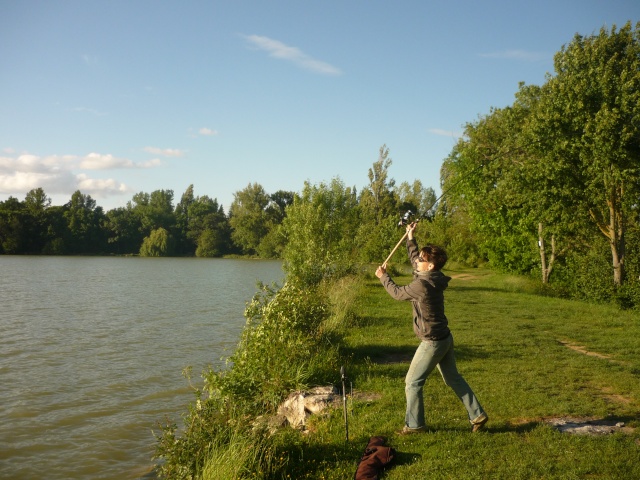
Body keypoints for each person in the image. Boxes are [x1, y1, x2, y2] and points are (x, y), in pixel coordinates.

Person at [375, 222, 488, 434]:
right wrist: (410, 238)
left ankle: (415, 426)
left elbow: (398, 294)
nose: (417, 261)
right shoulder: (432, 277)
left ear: (430, 266)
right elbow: (414, 260)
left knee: (412, 382)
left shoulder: (422, 285)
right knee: (453, 378)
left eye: (422, 260)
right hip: (445, 337)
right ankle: (477, 415)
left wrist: (384, 277)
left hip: (433, 341)